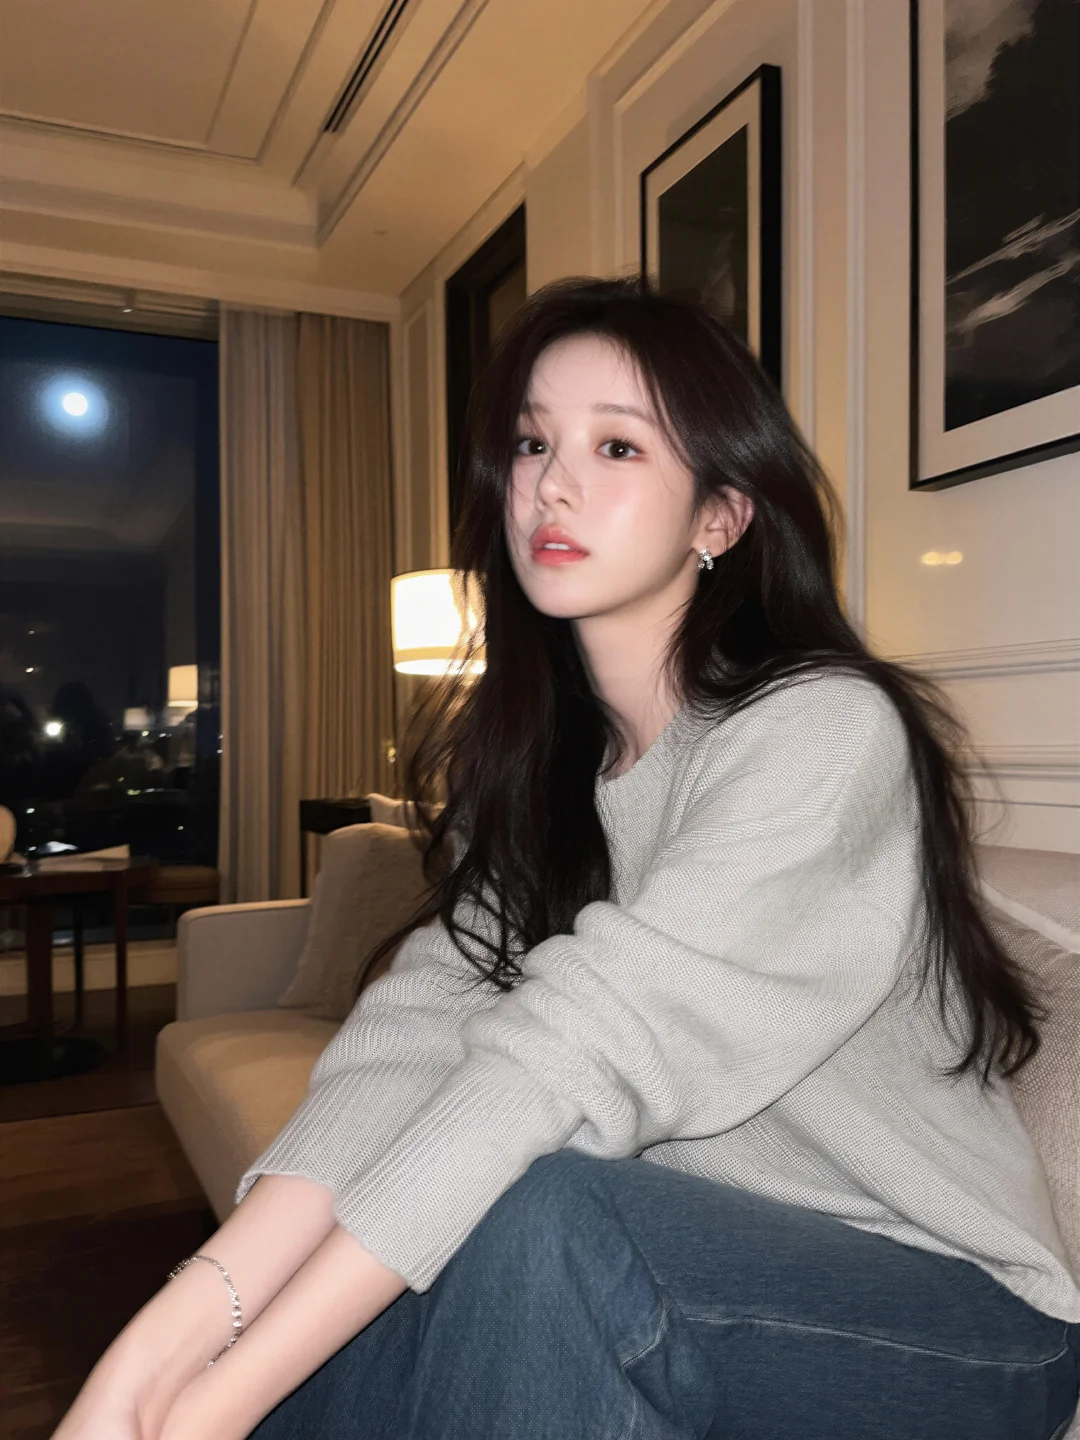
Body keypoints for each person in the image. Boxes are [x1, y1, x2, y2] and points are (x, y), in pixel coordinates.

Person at [54, 278, 1080, 1440]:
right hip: (682, 1266)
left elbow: (574, 1055)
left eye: (617, 446)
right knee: (412, 1247)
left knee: (534, 1215)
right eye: (534, 442)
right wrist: (171, 1339)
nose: (552, 482)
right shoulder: (547, 777)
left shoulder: (821, 730)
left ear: (720, 517)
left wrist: (215, 1403)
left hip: (957, 1317)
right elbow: (405, 1046)